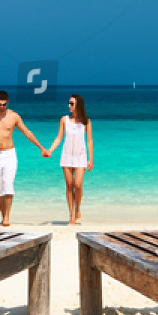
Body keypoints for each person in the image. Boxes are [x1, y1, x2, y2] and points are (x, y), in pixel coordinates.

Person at [0, 90, 49, 226]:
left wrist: (41, 147)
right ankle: (3, 217)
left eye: (4, 104)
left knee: (8, 184)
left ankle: (7, 218)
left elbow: (26, 132)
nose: (1, 107)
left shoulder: (14, 116)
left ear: (7, 103)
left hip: (9, 154)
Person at [46, 93, 93, 225]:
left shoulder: (86, 121)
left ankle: (78, 209)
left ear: (78, 105)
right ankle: (71, 215)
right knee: (69, 186)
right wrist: (50, 150)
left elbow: (89, 140)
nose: (69, 105)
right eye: (69, 103)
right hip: (66, 156)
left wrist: (91, 159)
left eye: (71, 103)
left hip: (80, 156)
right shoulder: (64, 119)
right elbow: (59, 138)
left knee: (78, 185)